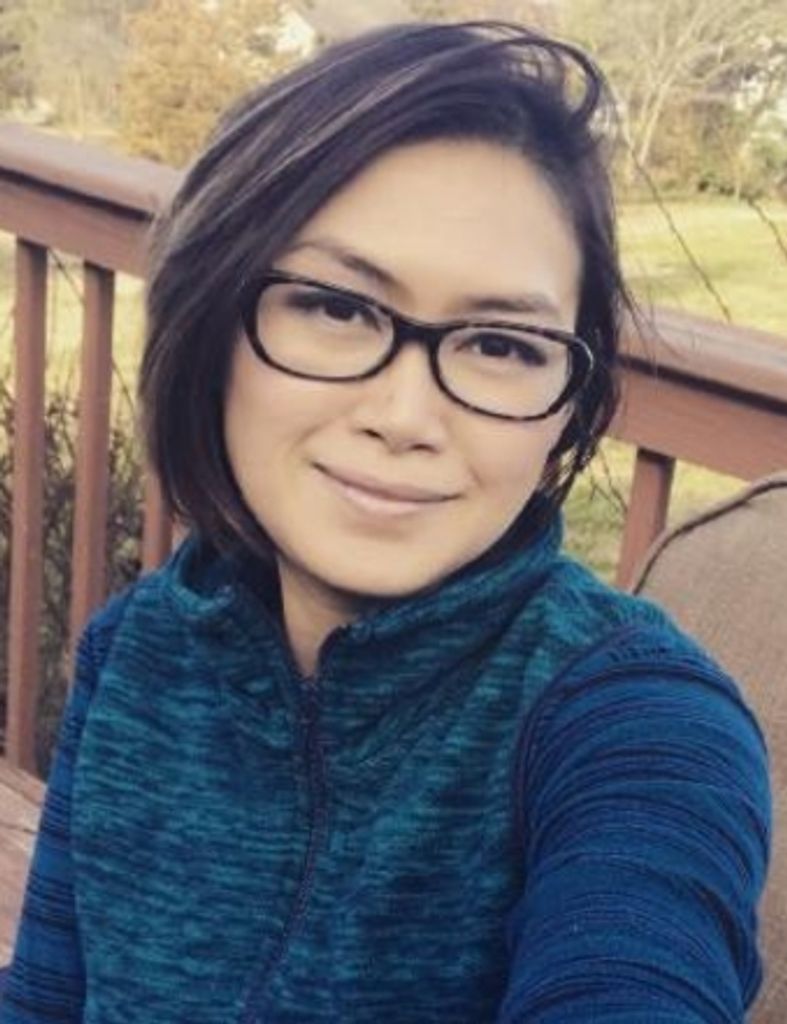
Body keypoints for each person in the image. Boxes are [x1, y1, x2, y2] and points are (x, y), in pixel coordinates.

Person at [0, 19, 770, 1024]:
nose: (406, 416)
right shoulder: (140, 652)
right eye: (336, 308)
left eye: (500, 344)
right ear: (212, 320)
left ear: (566, 406)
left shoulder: (637, 724)